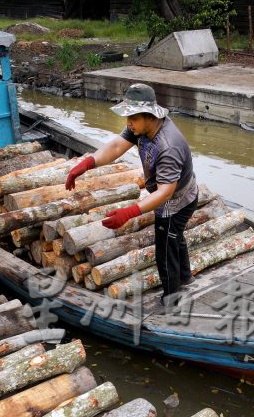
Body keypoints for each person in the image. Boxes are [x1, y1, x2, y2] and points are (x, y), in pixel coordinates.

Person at [65, 83, 198, 306]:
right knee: (175, 239)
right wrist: (87, 163)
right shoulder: (141, 127)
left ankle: (172, 298)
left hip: (176, 202)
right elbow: (116, 147)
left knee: (165, 249)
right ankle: (185, 276)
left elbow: (166, 192)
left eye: (132, 118)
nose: (128, 123)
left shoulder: (168, 146)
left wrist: (129, 212)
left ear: (149, 115)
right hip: (170, 194)